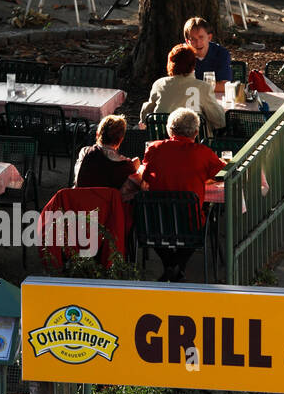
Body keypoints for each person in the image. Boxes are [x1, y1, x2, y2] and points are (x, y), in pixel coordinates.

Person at [139, 107, 227, 282]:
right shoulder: (203, 153)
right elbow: (222, 173)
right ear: (196, 132)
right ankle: (177, 267)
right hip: (190, 222)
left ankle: (170, 267)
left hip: (156, 223)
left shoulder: (154, 149)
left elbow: (146, 176)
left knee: (156, 228)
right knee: (199, 224)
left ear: (169, 130)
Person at [139, 44, 225, 133]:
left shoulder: (159, 84)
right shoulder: (203, 87)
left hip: (164, 141)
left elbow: (145, 116)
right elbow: (220, 121)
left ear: (170, 63)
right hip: (196, 143)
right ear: (193, 64)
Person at [74, 115, 139, 192]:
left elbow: (78, 180)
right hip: (109, 203)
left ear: (97, 134)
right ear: (121, 139)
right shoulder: (126, 166)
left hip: (81, 201)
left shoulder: (85, 153)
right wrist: (134, 167)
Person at [183, 16, 232, 93]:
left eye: (201, 37)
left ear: (209, 37)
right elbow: (178, 84)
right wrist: (210, 85)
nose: (198, 43)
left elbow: (225, 86)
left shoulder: (221, 53)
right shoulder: (181, 54)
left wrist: (194, 86)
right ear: (187, 41)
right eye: (193, 39)